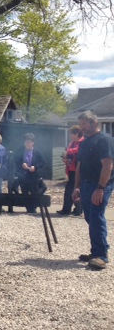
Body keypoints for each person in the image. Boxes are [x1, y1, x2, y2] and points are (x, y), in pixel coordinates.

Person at [72, 111, 114, 270]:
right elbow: (80, 165)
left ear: (94, 123)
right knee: (90, 218)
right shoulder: (84, 142)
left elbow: (108, 166)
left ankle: (101, 255)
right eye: (80, 124)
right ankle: (97, 250)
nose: (81, 127)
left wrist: (100, 188)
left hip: (100, 186)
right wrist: (76, 186)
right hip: (85, 185)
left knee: (96, 218)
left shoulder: (104, 140)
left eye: (84, 124)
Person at [13, 133, 44, 213]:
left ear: (33, 142)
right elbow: (15, 159)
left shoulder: (37, 151)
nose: (27, 144)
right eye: (26, 142)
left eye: (29, 142)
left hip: (33, 176)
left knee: (34, 192)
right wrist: (21, 164)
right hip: (23, 175)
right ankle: (28, 208)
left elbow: (42, 162)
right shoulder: (20, 150)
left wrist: (35, 167)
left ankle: (33, 208)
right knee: (25, 192)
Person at [58, 125, 84, 216]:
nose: (70, 135)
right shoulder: (72, 143)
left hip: (79, 171)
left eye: (71, 133)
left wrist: (69, 152)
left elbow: (78, 150)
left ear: (76, 134)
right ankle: (74, 210)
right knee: (72, 190)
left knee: (73, 189)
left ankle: (73, 210)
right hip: (71, 170)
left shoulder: (83, 142)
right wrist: (66, 159)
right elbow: (69, 154)